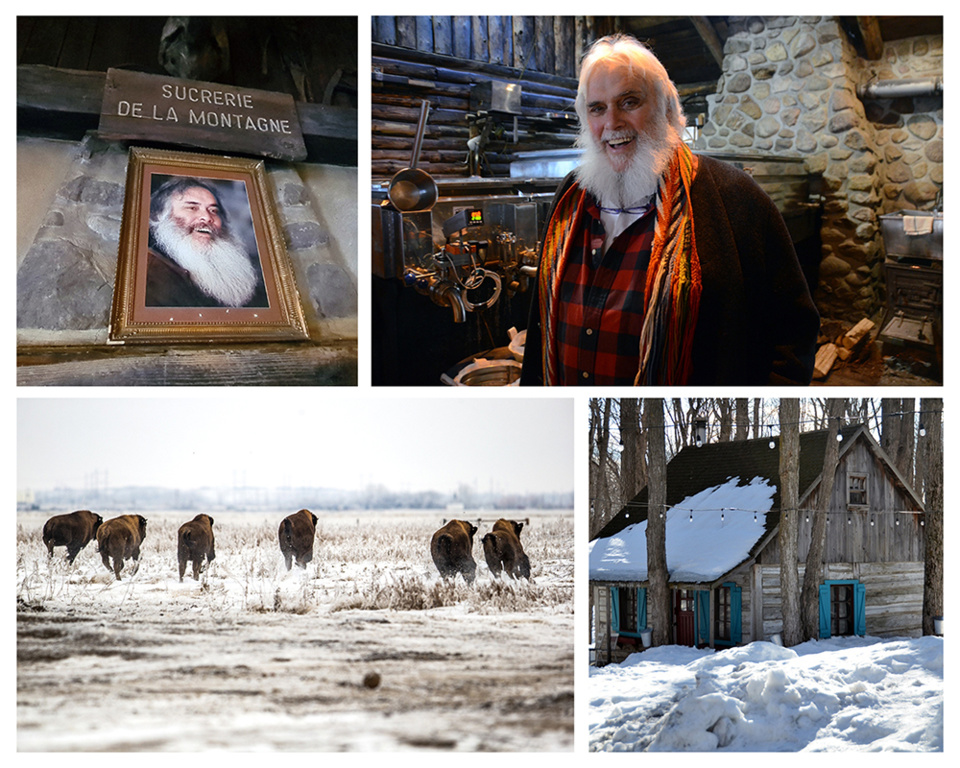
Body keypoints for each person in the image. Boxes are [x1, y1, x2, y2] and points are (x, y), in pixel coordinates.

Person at [520, 34, 819, 386]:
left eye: (629, 102)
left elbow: (793, 330)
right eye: (597, 108)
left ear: (666, 108)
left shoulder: (736, 197)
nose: (612, 122)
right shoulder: (569, 199)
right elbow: (541, 331)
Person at [145, 177, 267, 308]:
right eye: (192, 208)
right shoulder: (150, 275)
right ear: (158, 216)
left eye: (213, 211)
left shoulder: (238, 278)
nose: (208, 218)